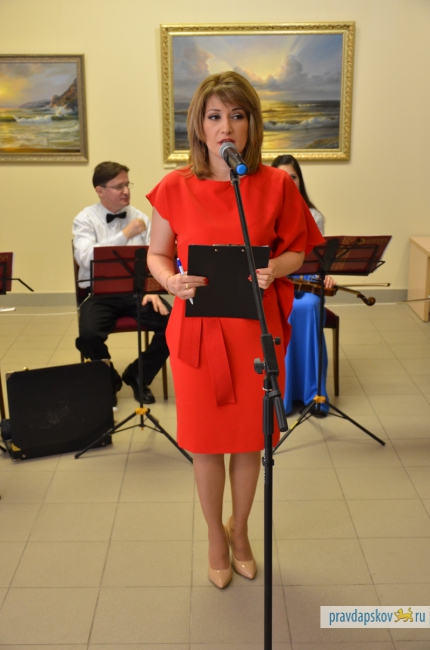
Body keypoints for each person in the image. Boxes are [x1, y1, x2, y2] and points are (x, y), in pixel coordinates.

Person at [147, 72, 324, 589]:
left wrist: (277, 269)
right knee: (206, 444)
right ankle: (214, 537)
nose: (226, 126)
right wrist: (170, 281)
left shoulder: (276, 185)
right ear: (199, 126)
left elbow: (298, 250)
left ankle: (240, 531)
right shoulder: (174, 187)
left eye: (237, 116)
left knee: (250, 441)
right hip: (198, 333)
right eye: (215, 116)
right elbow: (157, 255)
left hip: (253, 331)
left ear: (251, 125)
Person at [73, 161, 170, 405]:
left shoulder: (140, 217)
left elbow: (155, 256)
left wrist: (151, 289)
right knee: (88, 336)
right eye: (119, 187)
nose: (126, 191)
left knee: (174, 326)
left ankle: (138, 375)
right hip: (98, 294)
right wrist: (125, 234)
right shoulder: (85, 219)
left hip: (138, 292)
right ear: (100, 190)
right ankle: (109, 380)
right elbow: (84, 257)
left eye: (127, 185)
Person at [271, 154, 335, 415]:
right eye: (282, 177)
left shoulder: (314, 215)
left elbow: (318, 258)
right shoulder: (265, 212)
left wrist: (326, 274)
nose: (288, 182)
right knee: (286, 309)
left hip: (307, 282)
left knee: (307, 307)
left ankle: (314, 394)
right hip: (277, 280)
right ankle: (284, 396)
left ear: (300, 180)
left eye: (293, 177)